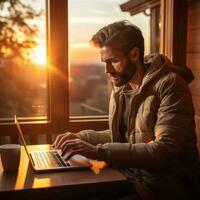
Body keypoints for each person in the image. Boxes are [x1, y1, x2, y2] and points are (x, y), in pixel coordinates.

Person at [52, 20, 200, 199]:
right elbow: (122, 136)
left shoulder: (171, 85)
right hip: (129, 181)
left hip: (165, 190)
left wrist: (97, 151)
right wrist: (79, 138)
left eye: (113, 61)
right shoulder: (122, 87)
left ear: (134, 54)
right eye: (104, 62)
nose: (107, 70)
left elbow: (164, 151)